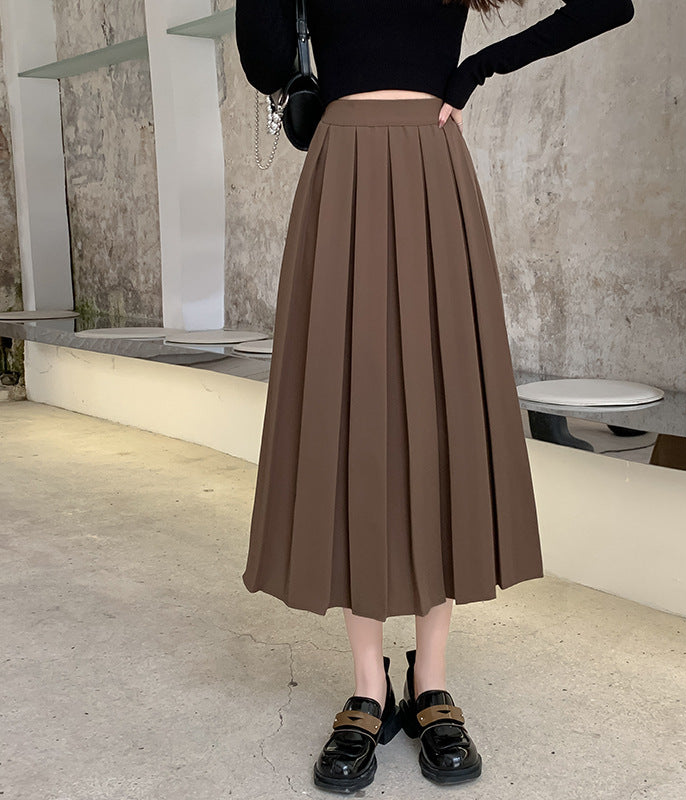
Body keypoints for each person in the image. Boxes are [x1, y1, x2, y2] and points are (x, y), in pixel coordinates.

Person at [234, 0, 635, 792]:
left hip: (430, 163)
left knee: (438, 407)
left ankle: (432, 681)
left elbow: (609, 5)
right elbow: (263, 53)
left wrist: (479, 68)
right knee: (353, 414)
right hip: (342, 165)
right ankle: (364, 685)